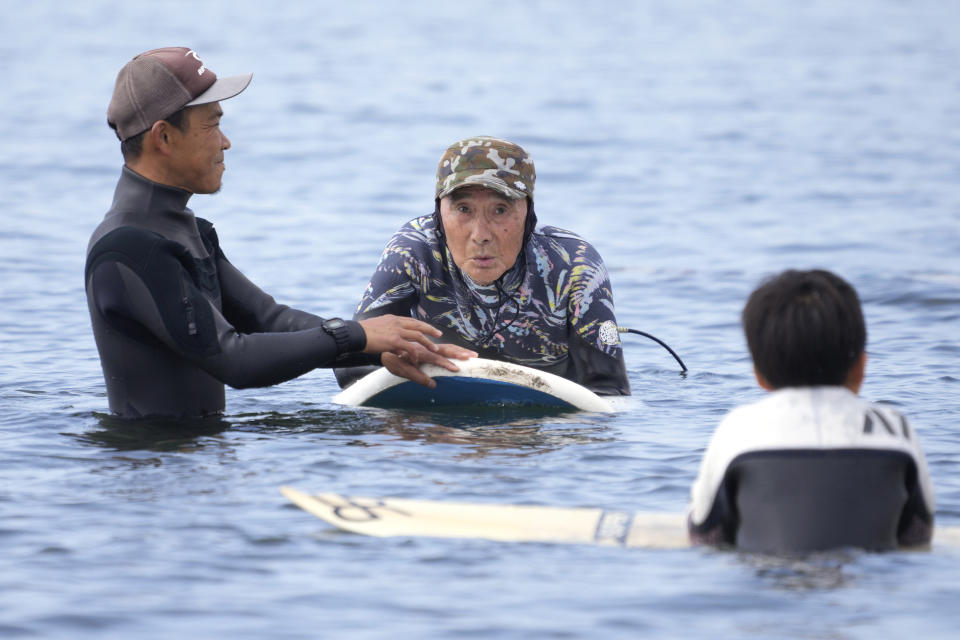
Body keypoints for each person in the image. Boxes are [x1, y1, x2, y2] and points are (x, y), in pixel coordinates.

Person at [85, 47, 474, 419]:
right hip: (154, 469)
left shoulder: (187, 232)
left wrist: (387, 347)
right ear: (164, 137)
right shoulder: (129, 246)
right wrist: (355, 335)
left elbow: (269, 320)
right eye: (213, 124)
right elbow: (233, 359)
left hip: (196, 464)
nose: (226, 141)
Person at [334, 136, 630, 396]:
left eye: (500, 210)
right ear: (438, 213)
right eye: (463, 209)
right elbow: (350, 368)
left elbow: (609, 392)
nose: (481, 235)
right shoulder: (415, 252)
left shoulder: (574, 265)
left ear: (529, 214)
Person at [687, 269, 934, 553]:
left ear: (758, 374)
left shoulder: (738, 429)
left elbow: (706, 535)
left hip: (766, 589)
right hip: (867, 587)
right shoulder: (894, 429)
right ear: (862, 367)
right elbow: (918, 534)